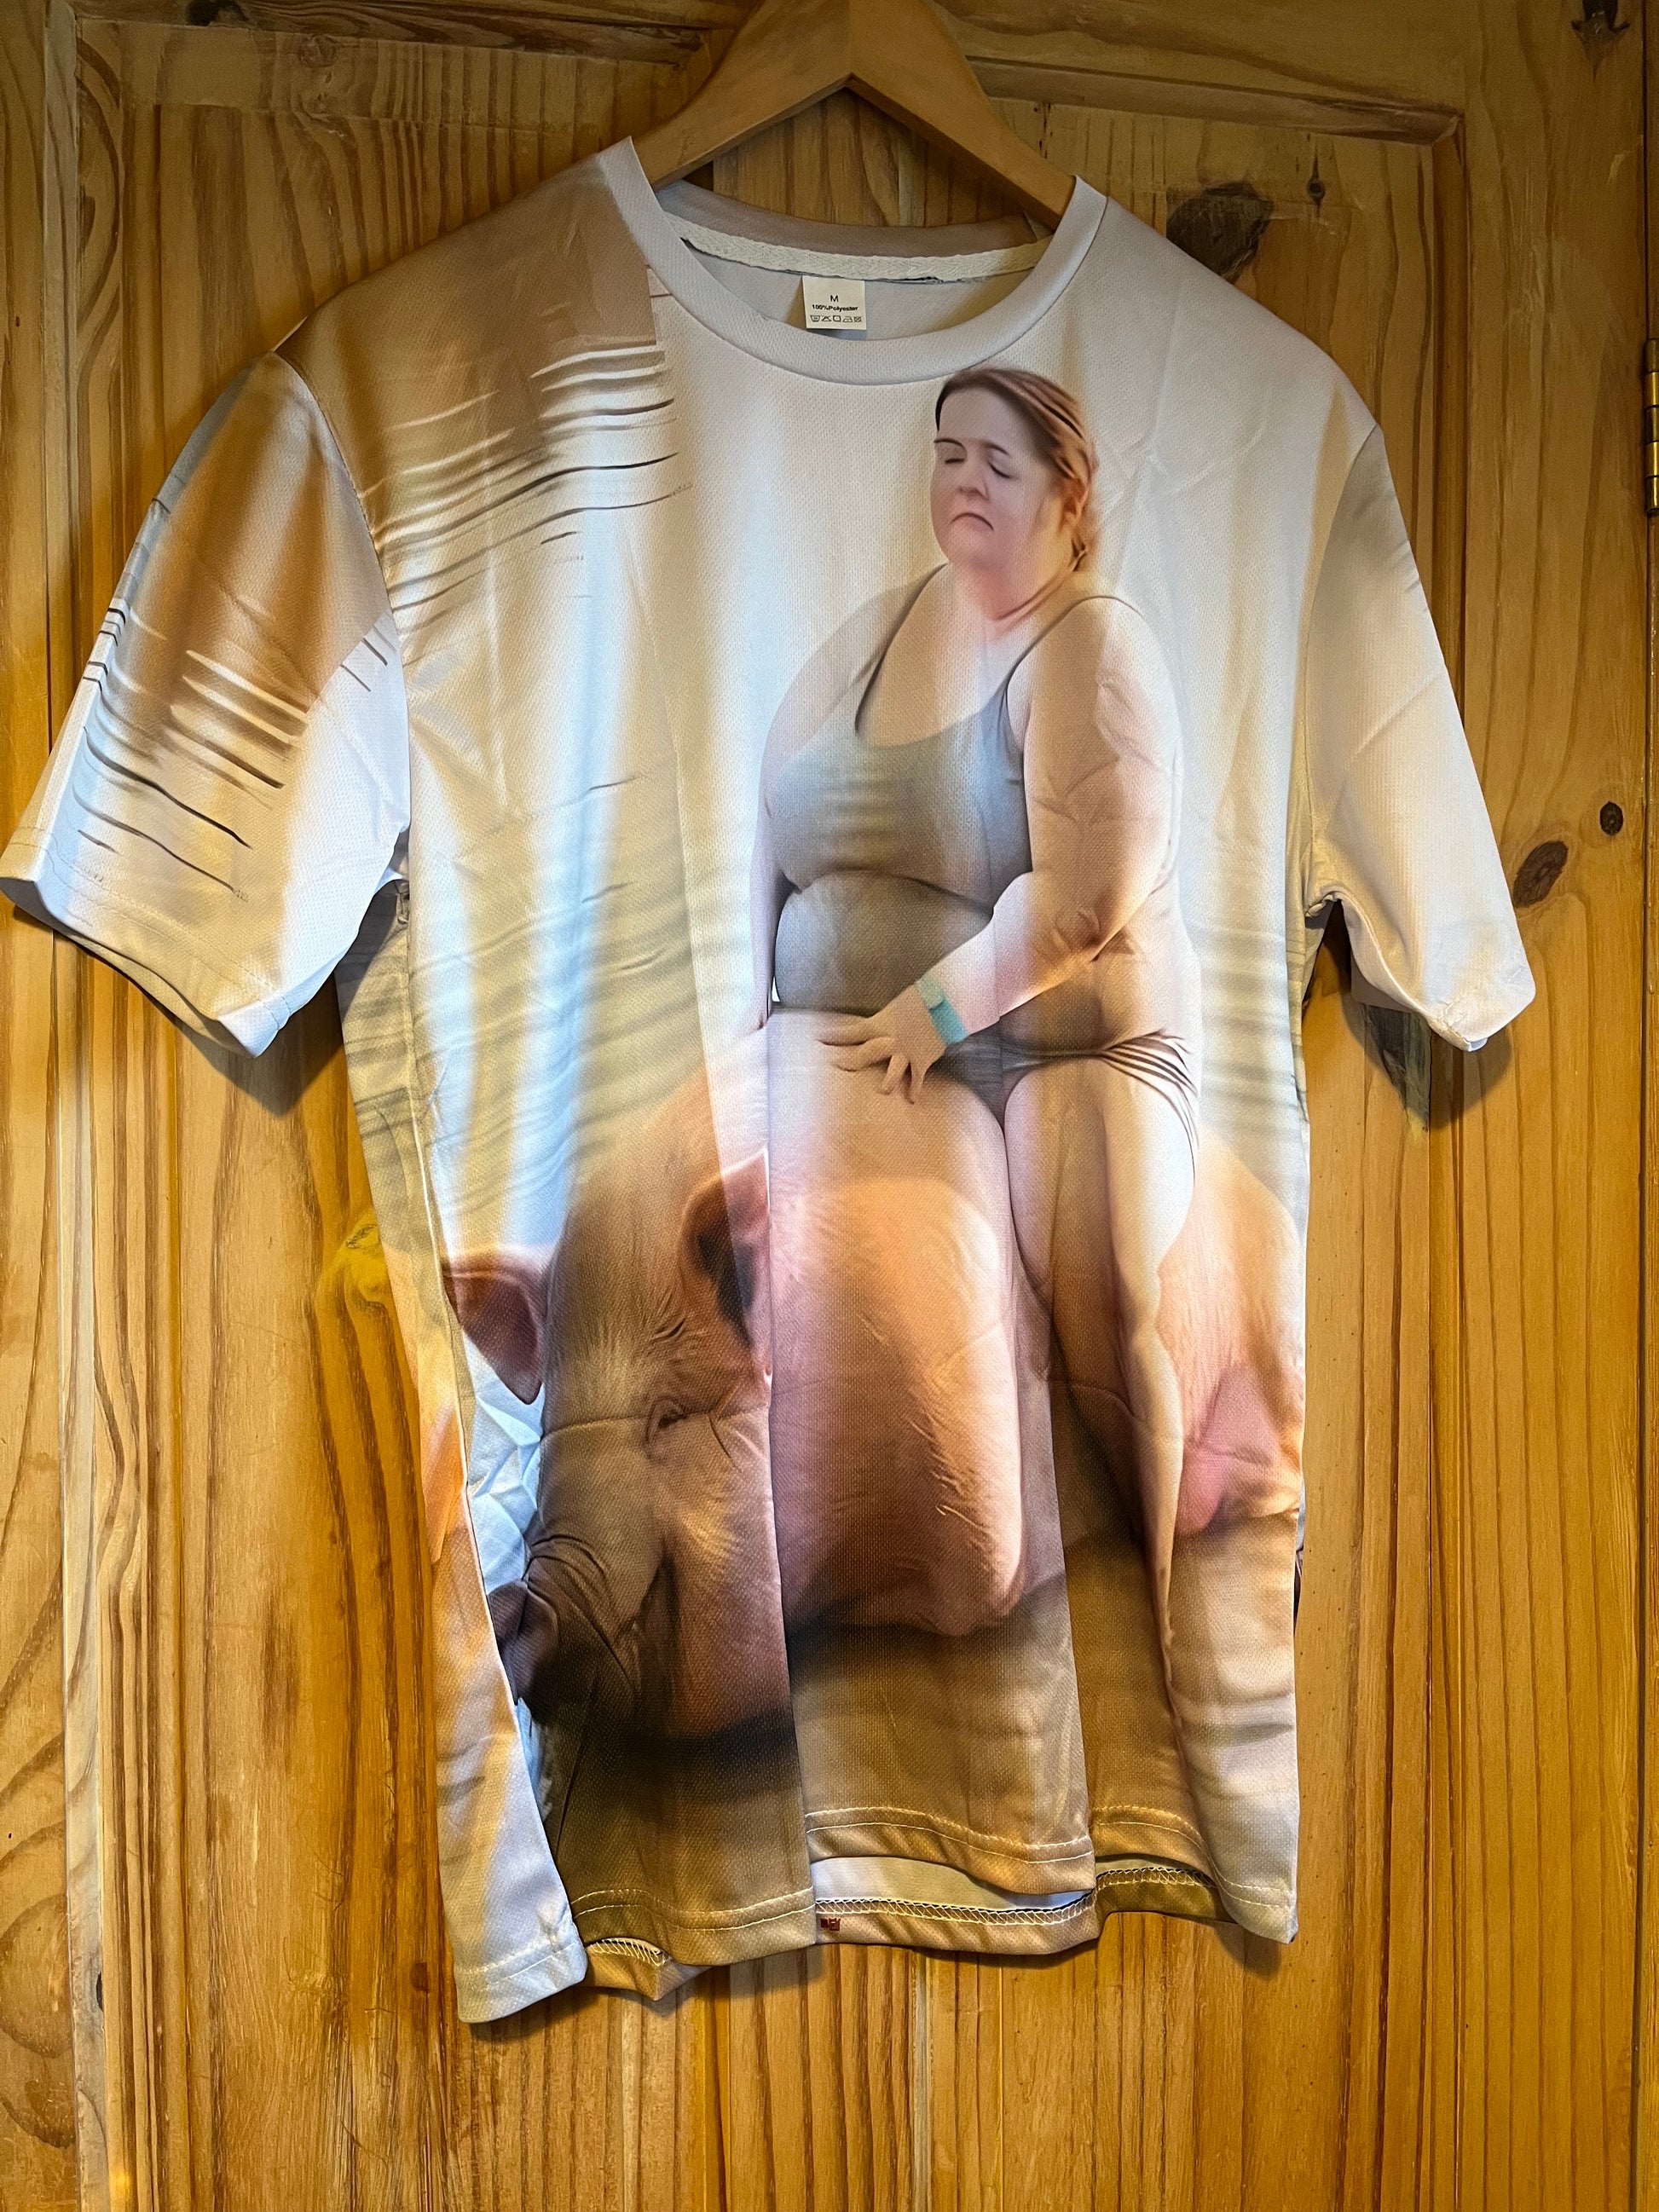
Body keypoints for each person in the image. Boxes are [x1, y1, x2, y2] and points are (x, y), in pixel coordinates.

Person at [747, 365, 1205, 1657]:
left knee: (1095, 1270)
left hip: (1082, 1050)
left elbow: (1082, 904)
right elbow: (771, 817)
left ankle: (1156, 1629)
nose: (963, 481)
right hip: (896, 1054)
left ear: (1069, 496)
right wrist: (750, 1013)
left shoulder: (1093, 644)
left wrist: (929, 1014)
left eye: (997, 464)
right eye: (948, 455)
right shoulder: (888, 625)